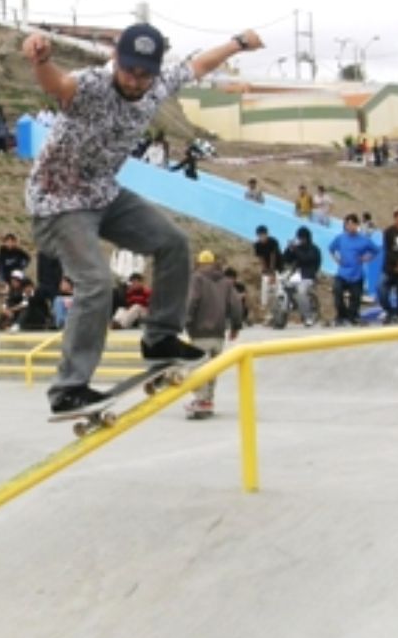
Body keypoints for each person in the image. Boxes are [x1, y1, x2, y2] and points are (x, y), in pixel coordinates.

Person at [20, 20, 260, 413]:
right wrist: (41, 60)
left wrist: (237, 44)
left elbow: (197, 66)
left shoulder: (157, 86)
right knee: (96, 282)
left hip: (103, 193)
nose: (134, 81)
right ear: (115, 59)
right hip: (57, 202)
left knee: (173, 243)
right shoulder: (93, 84)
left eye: (144, 74)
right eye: (128, 70)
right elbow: (58, 86)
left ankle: (159, 337)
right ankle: (69, 388)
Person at [183, 250, 242, 416]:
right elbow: (236, 304)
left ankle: (201, 400)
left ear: (199, 263)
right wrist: (235, 327)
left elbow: (192, 301)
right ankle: (208, 400)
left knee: (197, 369)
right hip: (218, 334)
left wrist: (185, 321)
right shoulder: (226, 282)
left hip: (200, 332)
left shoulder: (197, 278)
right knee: (212, 369)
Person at [328, 215, 377, 327]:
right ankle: (341, 315)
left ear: (357, 225)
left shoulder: (364, 240)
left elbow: (375, 250)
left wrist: (367, 257)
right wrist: (336, 259)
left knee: (355, 297)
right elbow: (331, 249)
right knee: (337, 291)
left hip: (356, 274)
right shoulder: (340, 238)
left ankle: (353, 316)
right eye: (347, 224)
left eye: (352, 224)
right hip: (342, 273)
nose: (350, 227)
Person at [251, 224, 283, 324]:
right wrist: (265, 270)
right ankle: (267, 311)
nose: (261, 237)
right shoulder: (257, 245)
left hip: (278, 266)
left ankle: (280, 311)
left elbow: (273, 257)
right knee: (266, 288)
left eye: (263, 235)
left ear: (266, 235)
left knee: (277, 287)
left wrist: (272, 273)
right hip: (267, 269)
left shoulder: (273, 242)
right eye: (259, 236)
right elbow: (261, 258)